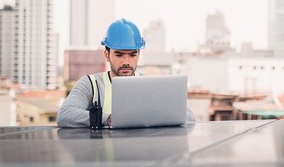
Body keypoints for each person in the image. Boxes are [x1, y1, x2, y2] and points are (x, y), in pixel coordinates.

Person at [57, 18, 195, 127]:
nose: (126, 61)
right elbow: (65, 115)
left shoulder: (149, 86)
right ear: (107, 54)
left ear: (139, 55)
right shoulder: (90, 84)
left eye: (132, 55)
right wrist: (109, 119)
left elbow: (188, 117)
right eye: (119, 55)